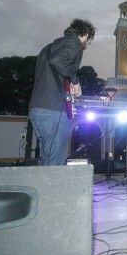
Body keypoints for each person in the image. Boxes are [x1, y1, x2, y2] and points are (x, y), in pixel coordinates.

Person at [29, 19, 96, 166]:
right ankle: (53, 188)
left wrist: (67, 85)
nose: (86, 46)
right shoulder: (74, 43)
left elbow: (54, 69)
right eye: (88, 42)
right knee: (56, 158)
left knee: (49, 156)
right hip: (53, 109)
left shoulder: (50, 47)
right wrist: (75, 80)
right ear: (84, 34)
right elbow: (57, 61)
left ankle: (47, 188)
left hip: (40, 108)